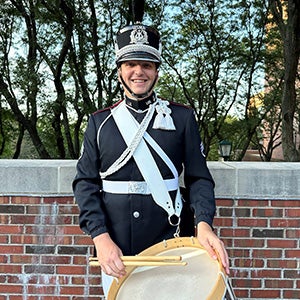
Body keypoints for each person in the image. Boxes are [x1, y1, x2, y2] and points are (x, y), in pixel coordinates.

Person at [73, 22, 230, 298]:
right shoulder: (100, 123)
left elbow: (199, 178)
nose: (139, 72)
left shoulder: (182, 118)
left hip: (170, 245)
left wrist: (204, 224)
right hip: (116, 251)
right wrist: (100, 238)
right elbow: (85, 184)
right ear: (120, 70)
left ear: (156, 70)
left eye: (147, 64)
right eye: (131, 64)